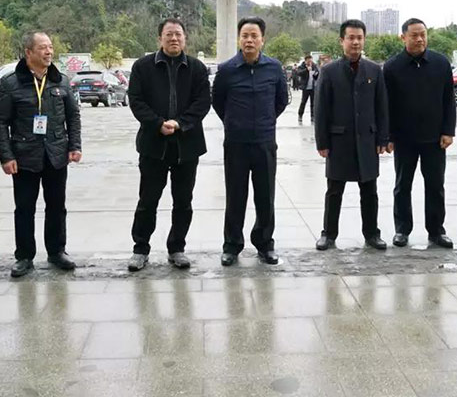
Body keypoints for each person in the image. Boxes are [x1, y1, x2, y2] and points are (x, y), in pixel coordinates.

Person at [0, 31, 82, 278]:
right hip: (24, 156)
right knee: (24, 208)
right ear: (28, 52)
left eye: (50, 47)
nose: (48, 52)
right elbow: (0, 122)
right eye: (43, 47)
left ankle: (57, 251)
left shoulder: (60, 80)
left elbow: (73, 115)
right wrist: (6, 156)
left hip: (56, 153)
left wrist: (75, 146)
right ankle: (24, 256)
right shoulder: (11, 83)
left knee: (57, 206)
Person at [126, 18, 211, 271]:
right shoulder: (142, 67)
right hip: (154, 145)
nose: (174, 38)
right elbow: (136, 100)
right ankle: (140, 249)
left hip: (187, 145)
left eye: (178, 34)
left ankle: (177, 248)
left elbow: (202, 102)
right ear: (160, 38)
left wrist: (180, 123)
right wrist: (158, 123)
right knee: (147, 200)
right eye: (169, 34)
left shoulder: (197, 68)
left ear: (185, 38)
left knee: (183, 201)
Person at [213, 17, 288, 266]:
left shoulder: (274, 68)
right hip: (236, 144)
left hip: (265, 142)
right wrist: (235, 123)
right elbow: (218, 102)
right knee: (236, 195)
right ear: (239, 39)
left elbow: (281, 101)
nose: (249, 40)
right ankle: (232, 245)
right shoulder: (226, 70)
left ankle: (265, 244)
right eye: (245, 35)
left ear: (262, 40)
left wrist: (265, 121)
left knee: (265, 196)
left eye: (254, 36)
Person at [314, 20, 390, 250]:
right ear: (342, 41)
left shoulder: (374, 70)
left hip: (367, 140)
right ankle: (328, 234)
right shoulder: (329, 71)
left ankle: (372, 234)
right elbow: (321, 109)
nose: (355, 42)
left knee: (369, 191)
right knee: (334, 190)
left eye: (359, 38)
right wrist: (322, 142)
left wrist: (382, 138)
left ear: (364, 40)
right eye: (351, 38)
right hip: (339, 141)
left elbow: (382, 107)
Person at [382, 18, 456, 249]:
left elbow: (448, 100)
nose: (420, 39)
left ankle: (436, 231)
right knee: (402, 185)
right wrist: (388, 136)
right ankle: (402, 229)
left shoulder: (440, 63)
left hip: (434, 138)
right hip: (404, 138)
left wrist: (448, 131)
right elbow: (386, 105)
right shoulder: (392, 67)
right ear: (403, 37)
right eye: (414, 35)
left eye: (423, 34)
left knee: (435, 185)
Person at [297, 53, 319, 122]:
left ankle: (313, 116)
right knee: (303, 102)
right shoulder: (302, 66)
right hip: (305, 87)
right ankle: (300, 115)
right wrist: (306, 69)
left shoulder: (314, 65)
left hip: (313, 87)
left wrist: (316, 73)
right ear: (305, 60)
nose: (310, 62)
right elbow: (299, 73)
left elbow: (317, 74)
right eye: (309, 61)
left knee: (313, 103)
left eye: (311, 61)